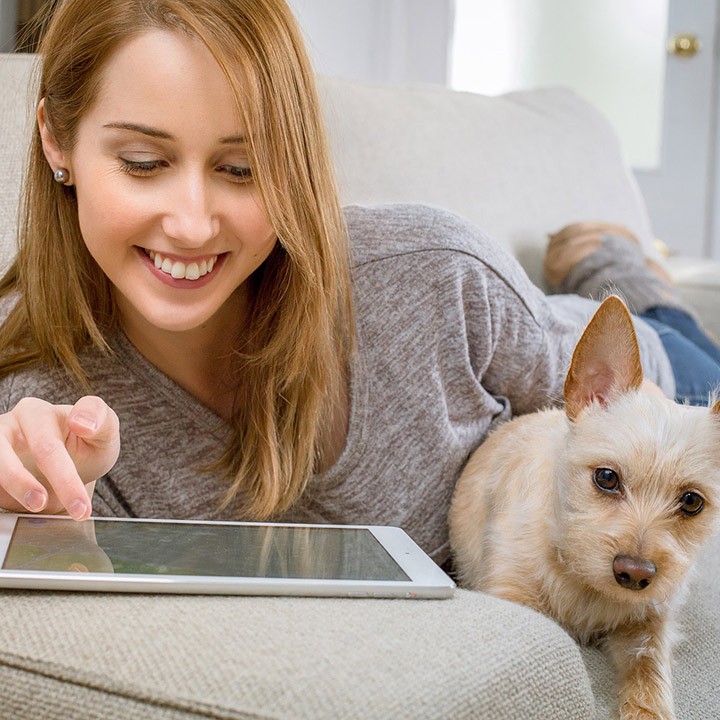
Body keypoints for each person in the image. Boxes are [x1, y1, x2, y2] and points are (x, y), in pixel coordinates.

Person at [1, 0, 718, 569]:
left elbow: (631, 410)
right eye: (142, 162)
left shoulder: (434, 276)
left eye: (242, 170)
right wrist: (41, 521)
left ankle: (618, 266)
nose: (191, 225)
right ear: (56, 141)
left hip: (633, 358)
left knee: (673, 331)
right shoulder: (35, 415)